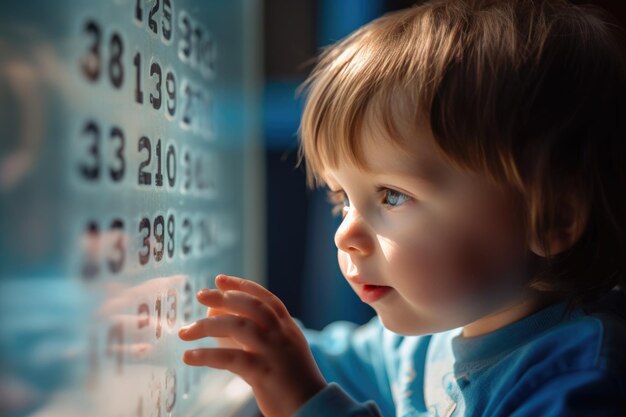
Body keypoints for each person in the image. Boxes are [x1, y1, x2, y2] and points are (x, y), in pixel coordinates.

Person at [178, 0, 626, 415]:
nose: (344, 235)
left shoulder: (575, 382)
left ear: (551, 218)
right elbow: (341, 362)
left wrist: (306, 403)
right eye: (341, 199)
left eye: (392, 195)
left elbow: (312, 382)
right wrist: (222, 326)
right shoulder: (442, 331)